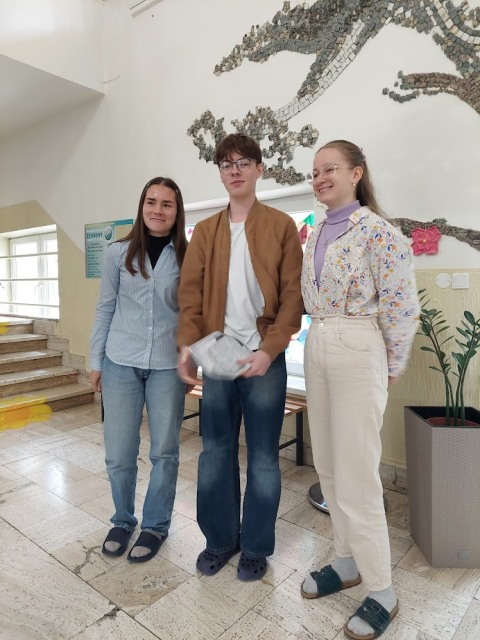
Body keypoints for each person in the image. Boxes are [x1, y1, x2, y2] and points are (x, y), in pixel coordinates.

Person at [300, 140, 419, 639]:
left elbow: (401, 305)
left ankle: (382, 590)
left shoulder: (380, 232)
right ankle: (346, 561)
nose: (320, 178)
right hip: (319, 340)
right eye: (315, 172)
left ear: (356, 174)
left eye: (330, 168)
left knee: (358, 474)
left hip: (358, 345)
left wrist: (390, 366)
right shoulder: (315, 231)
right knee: (328, 465)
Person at [177, 133, 304, 581]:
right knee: (215, 451)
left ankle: (255, 546)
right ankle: (219, 540)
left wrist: (270, 350)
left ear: (258, 169)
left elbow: (293, 296)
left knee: (264, 457)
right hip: (219, 358)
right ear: (220, 173)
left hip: (264, 358)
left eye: (244, 162)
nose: (235, 170)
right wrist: (188, 347)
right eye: (226, 164)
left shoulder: (281, 226)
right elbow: (190, 295)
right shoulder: (206, 231)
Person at [90, 177, 187, 563]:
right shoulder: (118, 252)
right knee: (118, 453)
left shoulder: (188, 256)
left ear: (177, 211)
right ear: (142, 206)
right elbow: (105, 307)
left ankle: (156, 525)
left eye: (166, 204)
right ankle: (122, 520)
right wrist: (95, 361)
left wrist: (192, 359)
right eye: (151, 202)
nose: (157, 210)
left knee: (164, 451)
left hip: (167, 365)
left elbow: (193, 313)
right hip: (120, 362)